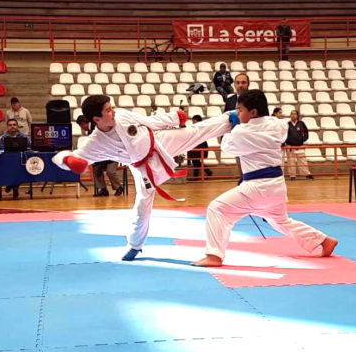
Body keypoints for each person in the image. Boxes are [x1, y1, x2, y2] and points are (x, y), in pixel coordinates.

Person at [52, 94, 234, 261]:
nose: (113, 111)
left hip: (160, 142)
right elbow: (70, 158)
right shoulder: (95, 143)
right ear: (96, 119)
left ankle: (230, 118)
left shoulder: (122, 115)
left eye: (111, 107)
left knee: (194, 132)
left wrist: (174, 118)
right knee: (142, 205)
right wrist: (67, 159)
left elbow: (149, 122)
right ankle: (134, 245)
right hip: (141, 168)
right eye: (108, 110)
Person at [192, 90, 337, 267]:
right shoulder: (277, 124)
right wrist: (239, 125)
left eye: (240, 110)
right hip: (276, 185)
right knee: (281, 221)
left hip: (257, 187)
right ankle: (324, 240)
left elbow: (226, 148)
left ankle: (214, 255)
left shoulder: (241, 132)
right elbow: (281, 131)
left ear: (252, 112)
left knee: (217, 209)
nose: (238, 113)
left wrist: (234, 126)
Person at [76, 114, 123, 197]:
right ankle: (103, 189)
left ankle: (118, 187)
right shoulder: (91, 129)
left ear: (83, 123)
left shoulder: (96, 127)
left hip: (112, 154)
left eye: (81, 125)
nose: (82, 128)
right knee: (96, 168)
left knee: (110, 171)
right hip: (103, 156)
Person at [0, 119, 30, 199]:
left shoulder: (24, 136)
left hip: (20, 160)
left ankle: (12, 185)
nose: (12, 126)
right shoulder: (3, 138)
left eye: (14, 125)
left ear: (17, 126)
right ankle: (14, 186)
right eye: (10, 125)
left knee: (20, 166)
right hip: (6, 161)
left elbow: (30, 147)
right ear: (7, 127)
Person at [286, 109, 313, 180]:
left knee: (302, 161)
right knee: (291, 162)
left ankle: (306, 174)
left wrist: (303, 139)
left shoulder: (301, 123)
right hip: (290, 146)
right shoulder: (287, 124)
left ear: (297, 115)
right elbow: (284, 135)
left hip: (300, 146)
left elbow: (306, 132)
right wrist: (287, 142)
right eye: (291, 114)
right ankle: (292, 175)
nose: (293, 115)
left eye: (294, 114)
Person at [187, 114, 213, 179]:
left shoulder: (199, 127)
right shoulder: (199, 127)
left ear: (196, 120)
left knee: (196, 161)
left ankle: (197, 176)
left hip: (199, 146)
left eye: (193, 120)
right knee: (196, 162)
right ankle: (207, 172)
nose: (193, 122)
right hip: (198, 146)